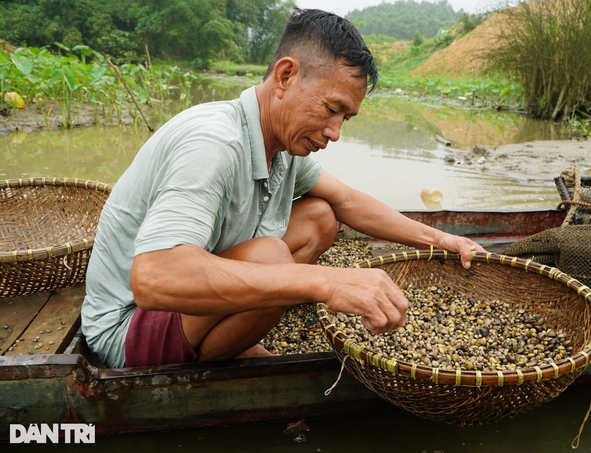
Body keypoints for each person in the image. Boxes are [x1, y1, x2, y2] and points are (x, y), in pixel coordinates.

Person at [81, 8, 485, 369]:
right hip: (129, 329)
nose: (335, 132)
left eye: (347, 117)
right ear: (286, 76)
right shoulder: (215, 144)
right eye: (331, 109)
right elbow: (153, 279)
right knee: (272, 257)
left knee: (319, 216)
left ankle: (240, 324)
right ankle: (221, 351)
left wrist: (441, 239)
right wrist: (325, 282)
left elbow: (346, 201)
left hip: (184, 296)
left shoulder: (282, 142)